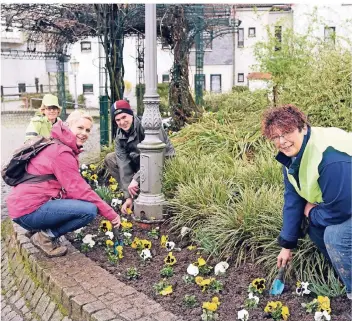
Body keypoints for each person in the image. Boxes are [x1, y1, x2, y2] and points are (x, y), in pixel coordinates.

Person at [261, 104, 352, 298]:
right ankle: (344, 277)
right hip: (343, 200)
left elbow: (342, 210)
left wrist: (311, 212)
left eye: (286, 133)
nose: (282, 142)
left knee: (337, 236)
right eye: (275, 137)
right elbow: (293, 199)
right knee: (316, 228)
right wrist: (287, 245)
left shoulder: (329, 157)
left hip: (346, 203)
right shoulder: (292, 157)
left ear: (302, 127)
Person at [7, 110, 121, 257]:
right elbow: (79, 190)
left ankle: (38, 229)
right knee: (89, 211)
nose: (84, 133)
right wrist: (110, 213)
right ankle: (44, 237)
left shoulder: (57, 144)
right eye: (80, 128)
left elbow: (68, 189)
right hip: (28, 211)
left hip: (22, 208)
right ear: (68, 126)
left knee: (78, 204)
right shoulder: (62, 153)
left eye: (87, 130)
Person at [104, 100, 175, 214]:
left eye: (124, 117)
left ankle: (148, 191)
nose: (122, 122)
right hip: (140, 162)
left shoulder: (147, 125)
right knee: (110, 158)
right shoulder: (119, 136)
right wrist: (128, 197)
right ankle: (134, 194)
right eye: (118, 120)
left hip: (161, 162)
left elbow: (155, 158)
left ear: (131, 114)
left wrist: (136, 179)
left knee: (154, 164)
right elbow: (123, 165)